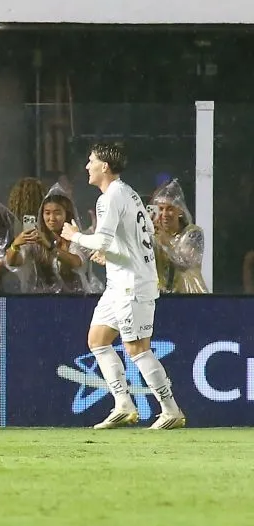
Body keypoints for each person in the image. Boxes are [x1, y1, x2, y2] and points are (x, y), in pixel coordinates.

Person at [61, 142, 185, 430]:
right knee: (98, 340)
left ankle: (170, 410)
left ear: (104, 166)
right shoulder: (127, 193)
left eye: (90, 161)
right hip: (119, 283)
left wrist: (75, 235)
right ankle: (123, 404)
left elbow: (102, 240)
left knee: (137, 348)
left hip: (132, 285)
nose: (87, 166)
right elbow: (144, 233)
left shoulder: (111, 197)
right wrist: (115, 255)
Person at [5, 183, 91, 294]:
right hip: (42, 301)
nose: (52, 218)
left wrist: (49, 247)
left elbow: (77, 262)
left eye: (57, 213)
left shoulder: (75, 238)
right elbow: (13, 262)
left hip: (73, 300)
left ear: (67, 215)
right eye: (47, 213)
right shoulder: (35, 239)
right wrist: (16, 244)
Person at [150, 179, 208, 294]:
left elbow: (185, 262)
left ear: (180, 211)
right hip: (162, 298)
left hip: (190, 298)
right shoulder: (153, 235)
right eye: (161, 209)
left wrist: (165, 241)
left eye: (170, 209)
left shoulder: (193, 233)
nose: (165, 214)